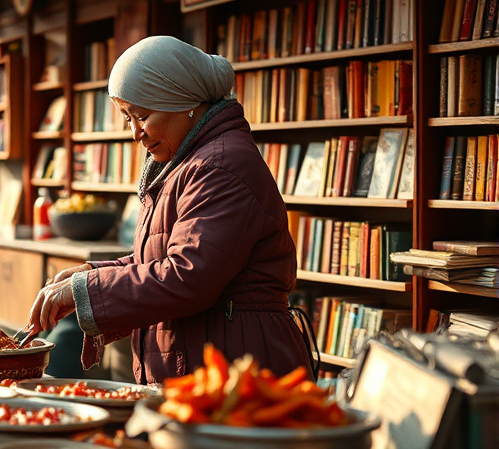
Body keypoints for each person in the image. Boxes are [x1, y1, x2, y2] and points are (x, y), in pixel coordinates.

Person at [25, 36, 312, 384]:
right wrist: (91, 273)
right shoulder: (185, 163)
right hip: (208, 359)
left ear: (183, 102)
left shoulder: (221, 165)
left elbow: (187, 275)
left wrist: (89, 289)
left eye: (142, 115)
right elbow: (162, 259)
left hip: (238, 370)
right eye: (127, 118)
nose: (135, 133)